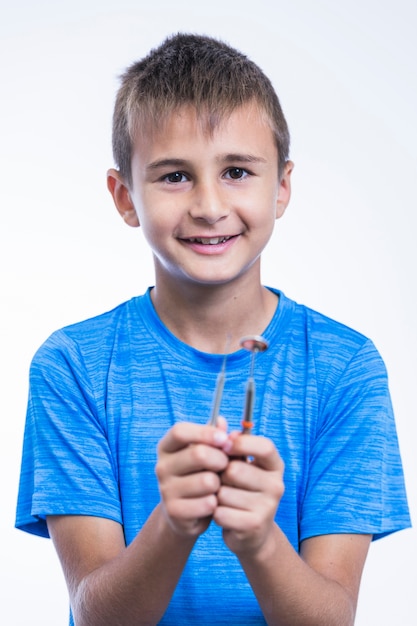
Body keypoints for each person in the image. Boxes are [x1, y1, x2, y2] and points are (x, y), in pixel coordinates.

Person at [16, 33, 410, 625]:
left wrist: (260, 541)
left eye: (236, 171)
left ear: (281, 186)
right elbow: (95, 615)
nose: (207, 205)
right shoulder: (73, 364)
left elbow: (332, 619)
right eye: (174, 176)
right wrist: (172, 526)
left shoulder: (344, 367)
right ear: (125, 197)